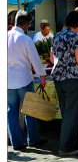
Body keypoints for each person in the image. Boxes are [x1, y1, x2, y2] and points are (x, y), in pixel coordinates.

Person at [50, 10, 78, 156]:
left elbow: (51, 59)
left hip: (58, 79)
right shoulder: (75, 37)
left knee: (66, 113)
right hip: (72, 79)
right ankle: (66, 147)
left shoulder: (56, 36)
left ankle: (67, 145)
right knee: (72, 114)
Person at [8, 10, 47, 151]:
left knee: (11, 112)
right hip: (23, 79)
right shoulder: (25, 39)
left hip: (8, 81)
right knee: (30, 110)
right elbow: (35, 61)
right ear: (27, 24)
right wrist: (42, 77)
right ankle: (33, 139)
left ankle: (16, 142)